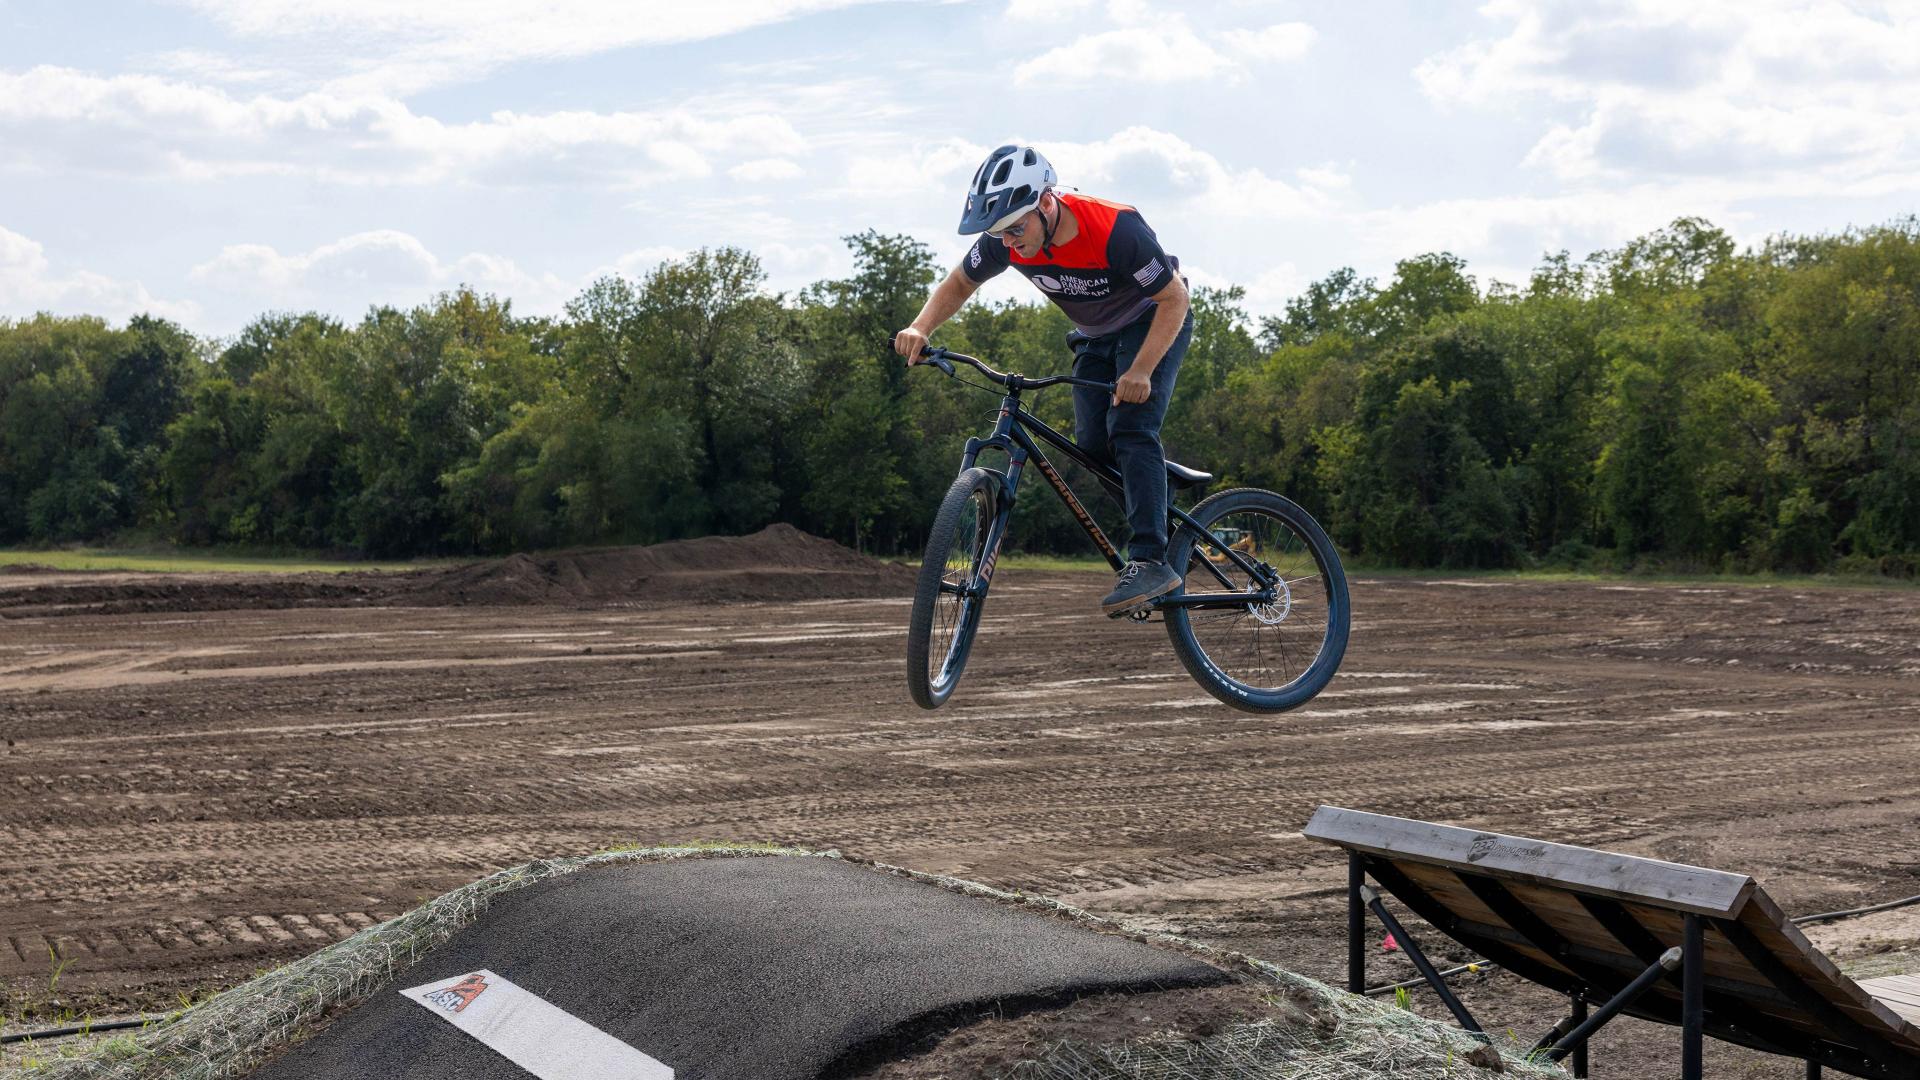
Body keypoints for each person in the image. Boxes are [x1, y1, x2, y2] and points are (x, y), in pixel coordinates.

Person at [893, 144, 1194, 617]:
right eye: (1001, 234)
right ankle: (1159, 503)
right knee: (1092, 446)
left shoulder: (1116, 230)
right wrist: (920, 327)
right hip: (1095, 336)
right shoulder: (1004, 240)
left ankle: (1151, 558)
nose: (1010, 243)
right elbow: (959, 283)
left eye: (1017, 229)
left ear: (1047, 204)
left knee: (1130, 428)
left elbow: (1173, 300)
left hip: (1152, 320)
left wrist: (1140, 370)